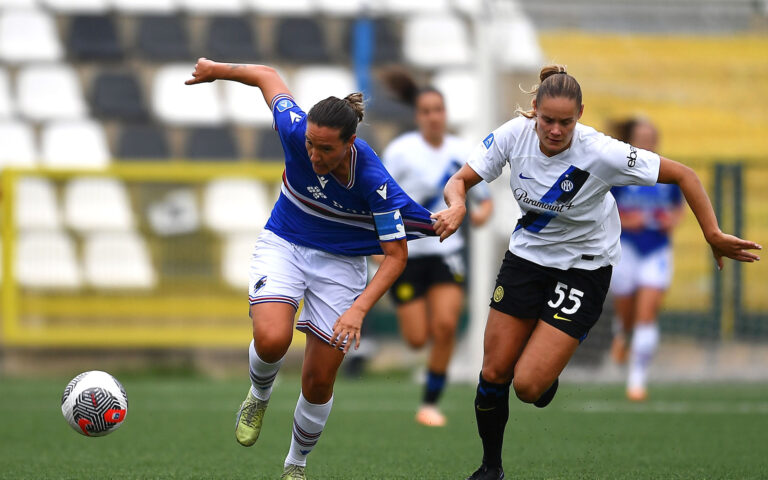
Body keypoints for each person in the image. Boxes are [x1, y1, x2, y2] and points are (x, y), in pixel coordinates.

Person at [431, 65, 762, 480]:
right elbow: (459, 180)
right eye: (547, 120)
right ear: (534, 109)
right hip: (527, 259)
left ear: (581, 115)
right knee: (494, 371)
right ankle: (491, 467)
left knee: (529, 386)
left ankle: (545, 367)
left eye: (565, 122)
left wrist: (712, 233)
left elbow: (684, 175)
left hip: (584, 268)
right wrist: (458, 203)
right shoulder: (513, 135)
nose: (554, 130)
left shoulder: (602, 152)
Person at [185, 57, 436, 480]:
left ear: (350, 143)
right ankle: (259, 395)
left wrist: (358, 311)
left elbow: (396, 257)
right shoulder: (296, 128)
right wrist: (215, 70)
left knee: (319, 380)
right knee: (270, 338)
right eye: (310, 146)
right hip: (285, 241)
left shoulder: (374, 180)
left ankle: (295, 466)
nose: (314, 154)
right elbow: (267, 76)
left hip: (340, 265)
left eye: (326, 149)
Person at [379, 70, 493, 427]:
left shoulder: (462, 152)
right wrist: (379, 245)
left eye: (438, 110)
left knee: (445, 326)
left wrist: (478, 216)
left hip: (447, 252)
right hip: (407, 255)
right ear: (418, 116)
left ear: (445, 114)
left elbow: (484, 200)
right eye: (426, 111)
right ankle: (424, 368)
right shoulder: (400, 152)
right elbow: (378, 199)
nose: (433, 116)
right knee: (416, 340)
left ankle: (430, 403)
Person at [607, 118, 684, 402]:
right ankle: (621, 333)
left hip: (657, 250)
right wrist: (628, 220)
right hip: (626, 249)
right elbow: (607, 212)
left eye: (651, 136)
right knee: (627, 316)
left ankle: (637, 380)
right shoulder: (618, 174)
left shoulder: (666, 173)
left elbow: (678, 208)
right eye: (641, 137)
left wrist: (671, 221)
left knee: (647, 315)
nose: (647, 142)